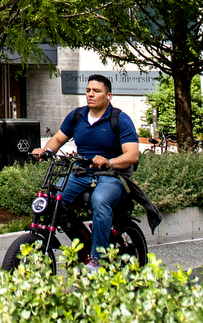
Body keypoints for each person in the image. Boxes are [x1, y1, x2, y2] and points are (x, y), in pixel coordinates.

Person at [31, 74, 141, 271]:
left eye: (96, 91)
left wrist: (109, 162)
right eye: (88, 90)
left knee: (99, 200)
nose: (90, 94)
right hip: (83, 173)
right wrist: (45, 151)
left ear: (109, 96)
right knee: (54, 199)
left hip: (113, 175)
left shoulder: (120, 119)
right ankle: (81, 241)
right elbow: (57, 140)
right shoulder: (77, 116)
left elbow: (132, 156)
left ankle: (99, 258)